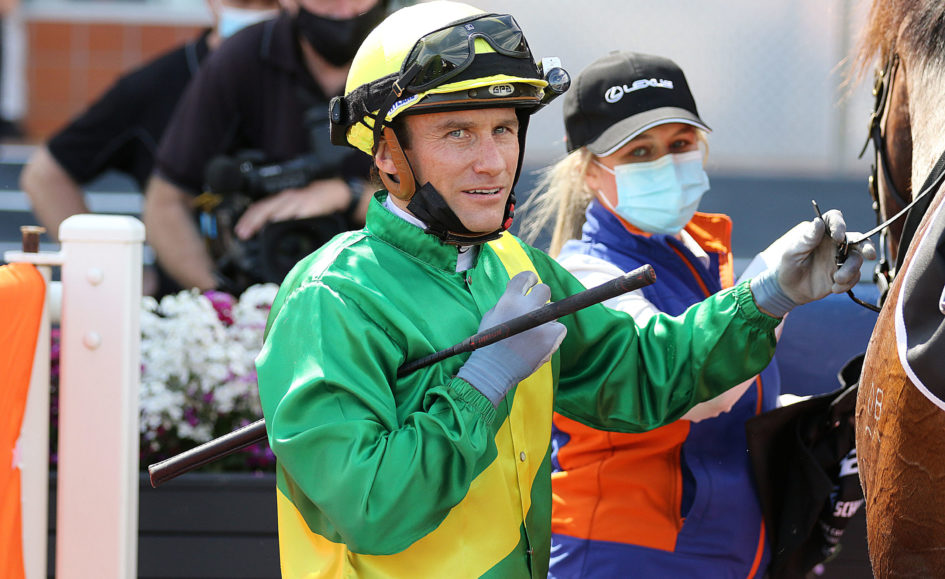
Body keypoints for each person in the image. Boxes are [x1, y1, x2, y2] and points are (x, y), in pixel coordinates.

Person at [254, 2, 873, 577]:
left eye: (503, 129)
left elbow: (639, 373)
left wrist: (768, 295)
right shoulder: (331, 298)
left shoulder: (512, 263)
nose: (493, 161)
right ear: (388, 153)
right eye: (458, 133)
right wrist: (483, 381)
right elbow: (371, 507)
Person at [520, 51, 781, 577]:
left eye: (680, 144)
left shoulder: (702, 256)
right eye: (640, 151)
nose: (665, 163)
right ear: (589, 172)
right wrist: (774, 296)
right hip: (621, 554)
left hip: (720, 554)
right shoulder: (586, 275)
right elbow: (687, 391)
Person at [19, 0, 279, 295]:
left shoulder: (307, 77)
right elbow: (45, 176)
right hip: (191, 306)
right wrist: (115, 274)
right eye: (243, 2)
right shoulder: (158, 85)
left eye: (269, 2)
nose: (256, 11)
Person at [143, 0, 387, 293]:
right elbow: (166, 202)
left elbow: (433, 214)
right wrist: (225, 301)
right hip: (255, 291)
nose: (344, 8)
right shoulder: (240, 57)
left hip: (382, 293)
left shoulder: (409, 59)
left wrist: (349, 196)